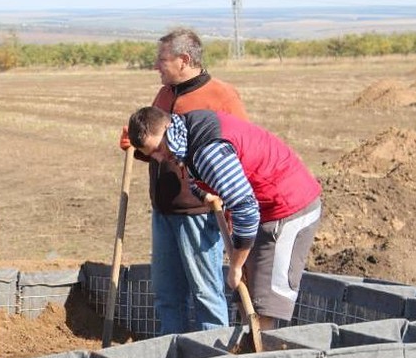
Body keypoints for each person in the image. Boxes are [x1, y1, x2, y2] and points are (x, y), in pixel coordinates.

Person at [127, 106, 322, 330]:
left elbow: (245, 210)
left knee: (265, 302)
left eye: (159, 148)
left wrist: (236, 265)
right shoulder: (186, 131)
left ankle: (265, 357)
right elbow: (194, 173)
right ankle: (247, 353)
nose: (160, 158)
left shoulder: (207, 151)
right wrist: (205, 193)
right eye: (153, 154)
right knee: (245, 291)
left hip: (290, 206)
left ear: (167, 127)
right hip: (264, 207)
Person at [120, 28, 247, 335]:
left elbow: (239, 153)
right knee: (167, 295)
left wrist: (229, 213)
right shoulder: (164, 94)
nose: (155, 66)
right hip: (163, 212)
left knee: (206, 293)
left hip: (200, 214)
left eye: (161, 59)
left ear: (184, 59)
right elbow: (158, 148)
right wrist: (136, 146)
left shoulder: (221, 96)